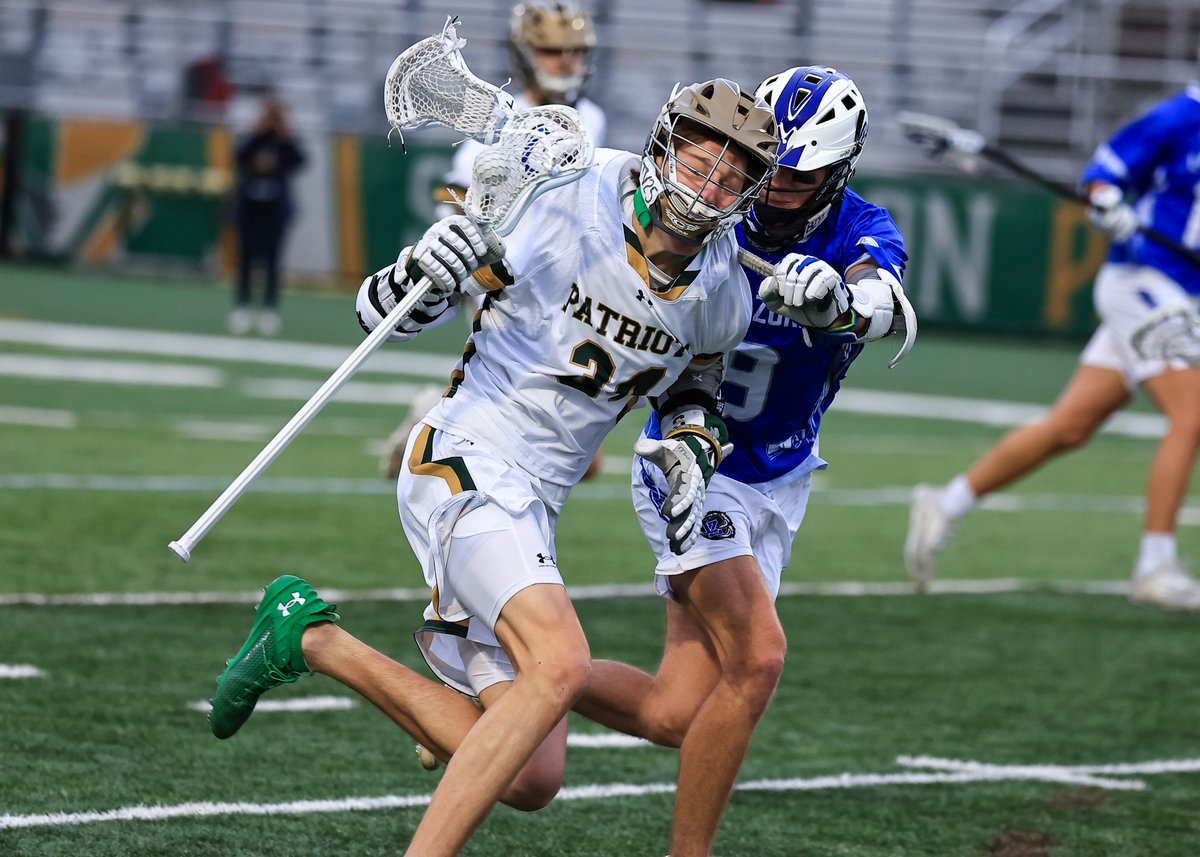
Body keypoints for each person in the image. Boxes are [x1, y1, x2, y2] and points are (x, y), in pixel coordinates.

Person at [208, 78, 781, 856]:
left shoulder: (722, 292)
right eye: (697, 159)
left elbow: (693, 388)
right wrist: (423, 271)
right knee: (561, 663)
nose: (706, 184)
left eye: (730, 175)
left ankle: (309, 637)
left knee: (531, 777)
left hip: (534, 506)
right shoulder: (567, 197)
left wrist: (692, 446)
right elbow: (388, 314)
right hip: (466, 455)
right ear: (662, 147)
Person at [568, 66, 910, 857]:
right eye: (773, 166)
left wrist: (838, 303)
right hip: (692, 458)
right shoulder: (712, 203)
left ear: (839, 172)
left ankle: (503, 675)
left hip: (780, 478)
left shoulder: (859, 226)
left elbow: (885, 297)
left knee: (672, 712)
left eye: (802, 174)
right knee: (758, 657)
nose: (778, 186)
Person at [905, 82, 1200, 610]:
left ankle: (945, 503)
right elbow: (1103, 178)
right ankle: (1155, 566)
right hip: (1145, 281)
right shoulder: (1180, 116)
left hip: (1185, 295)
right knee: (1193, 413)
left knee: (1071, 426)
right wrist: (1110, 207)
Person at [379, 1, 607, 480]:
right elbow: (459, 211)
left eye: (574, 50)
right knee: (548, 439)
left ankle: (435, 410)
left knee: (579, 455)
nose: (566, 61)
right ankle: (445, 425)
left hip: (569, 280)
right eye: (551, 51)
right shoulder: (496, 120)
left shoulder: (591, 119)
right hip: (506, 274)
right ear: (526, 54)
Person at [228, 95, 306, 336]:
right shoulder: (253, 140)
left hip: (274, 212)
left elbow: (299, 161)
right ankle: (242, 307)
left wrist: (284, 134)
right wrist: (257, 132)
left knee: (272, 262)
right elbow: (238, 158)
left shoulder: (283, 143)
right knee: (245, 261)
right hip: (250, 210)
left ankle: (269, 310)